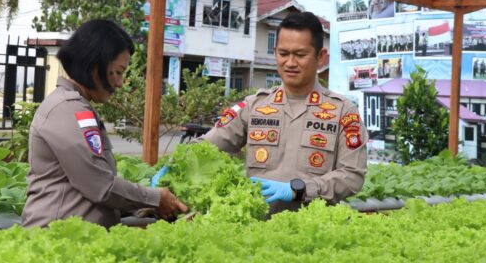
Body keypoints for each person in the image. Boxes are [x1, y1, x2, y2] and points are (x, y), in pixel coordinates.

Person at [190, 12, 367, 215]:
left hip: (312, 229)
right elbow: (209, 146)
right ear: (275, 52)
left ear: (320, 57)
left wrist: (299, 190)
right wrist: (177, 164)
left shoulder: (343, 112)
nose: (290, 63)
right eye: (283, 54)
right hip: (255, 229)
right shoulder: (254, 106)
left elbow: (352, 176)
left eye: (300, 55)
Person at [22, 19, 188, 228]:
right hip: (58, 238)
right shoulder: (68, 109)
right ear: (94, 67)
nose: (119, 83)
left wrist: (145, 204)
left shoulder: (76, 106)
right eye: (117, 72)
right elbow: (99, 185)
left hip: (74, 236)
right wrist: (155, 199)